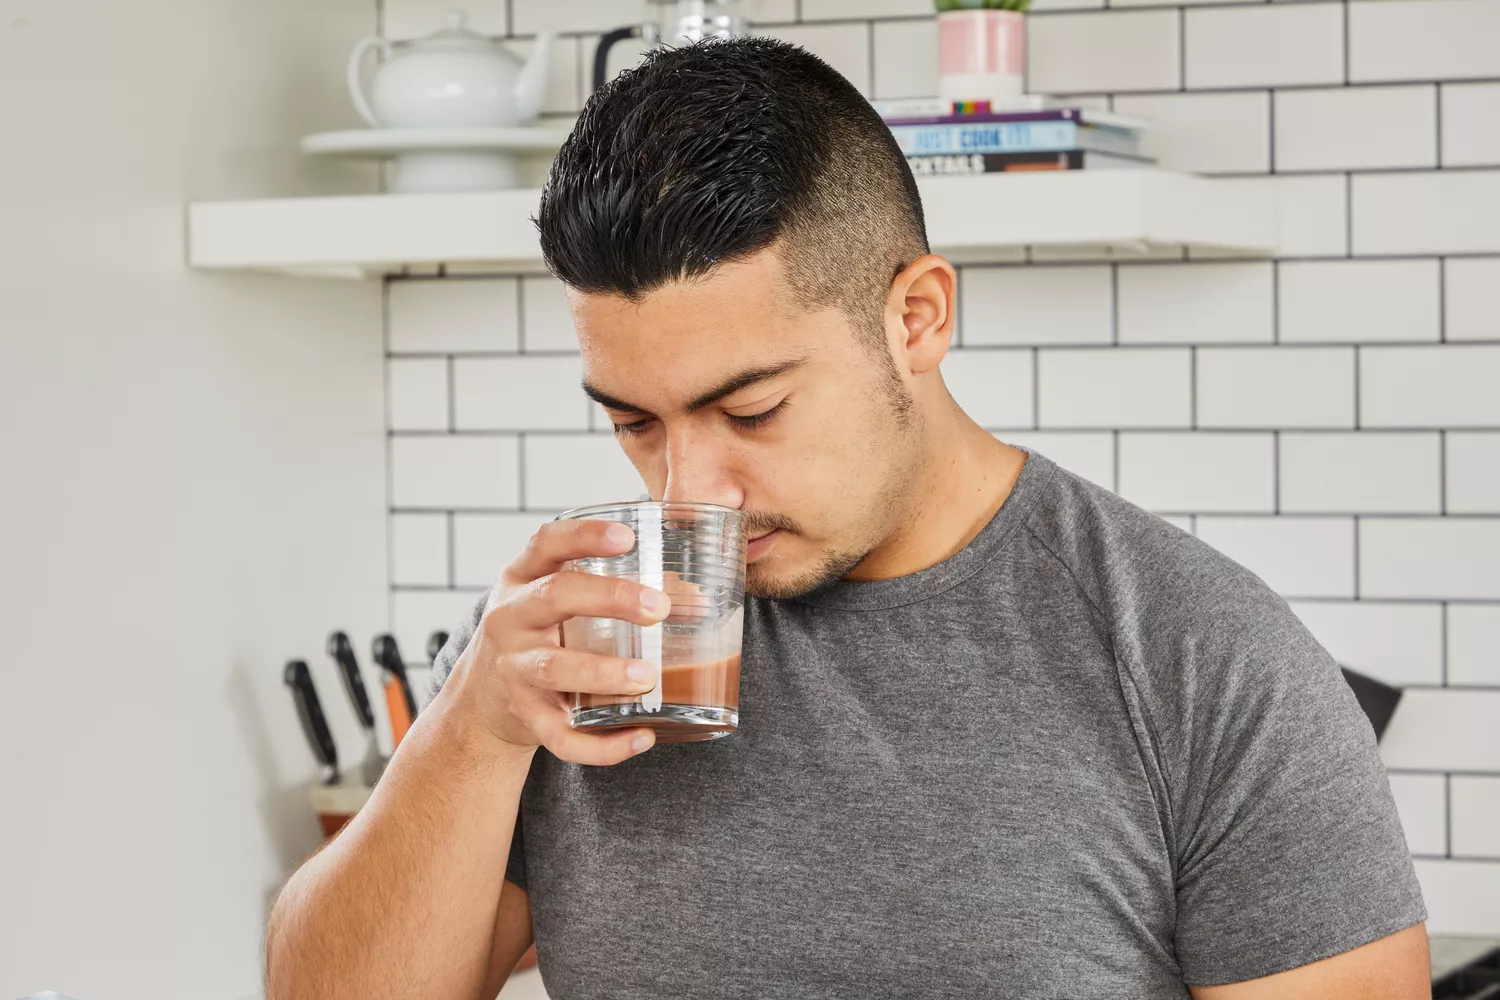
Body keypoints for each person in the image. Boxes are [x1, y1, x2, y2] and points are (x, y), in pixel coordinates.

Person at [265, 38, 1430, 1000]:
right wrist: (469, 728)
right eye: (633, 422)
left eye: (753, 410)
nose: (692, 492)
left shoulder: (1198, 657)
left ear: (917, 318)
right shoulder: (581, 640)